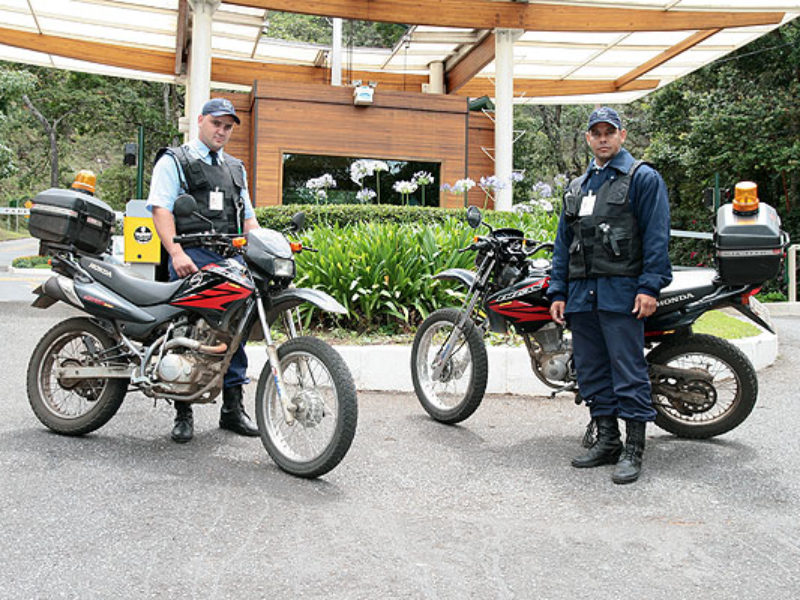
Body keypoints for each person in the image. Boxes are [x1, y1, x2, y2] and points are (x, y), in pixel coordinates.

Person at [547, 107, 672, 484]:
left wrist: (650, 286)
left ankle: (634, 449)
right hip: (583, 296)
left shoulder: (642, 179)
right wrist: (558, 291)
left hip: (622, 293)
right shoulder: (578, 186)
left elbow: (656, 237)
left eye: (609, 132)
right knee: (591, 371)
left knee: (628, 371)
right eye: (596, 132)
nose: (603, 138)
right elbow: (563, 244)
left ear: (622, 136)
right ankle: (607, 441)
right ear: (588, 138)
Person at [147, 97, 260, 443]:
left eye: (227, 127)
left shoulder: (235, 169)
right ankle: (183, 411)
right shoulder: (176, 161)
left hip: (230, 259)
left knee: (234, 332)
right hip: (190, 257)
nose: (222, 131)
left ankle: (232, 409)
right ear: (200, 121)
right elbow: (161, 209)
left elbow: (248, 220)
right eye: (216, 124)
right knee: (187, 331)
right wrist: (176, 252)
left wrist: (263, 251)